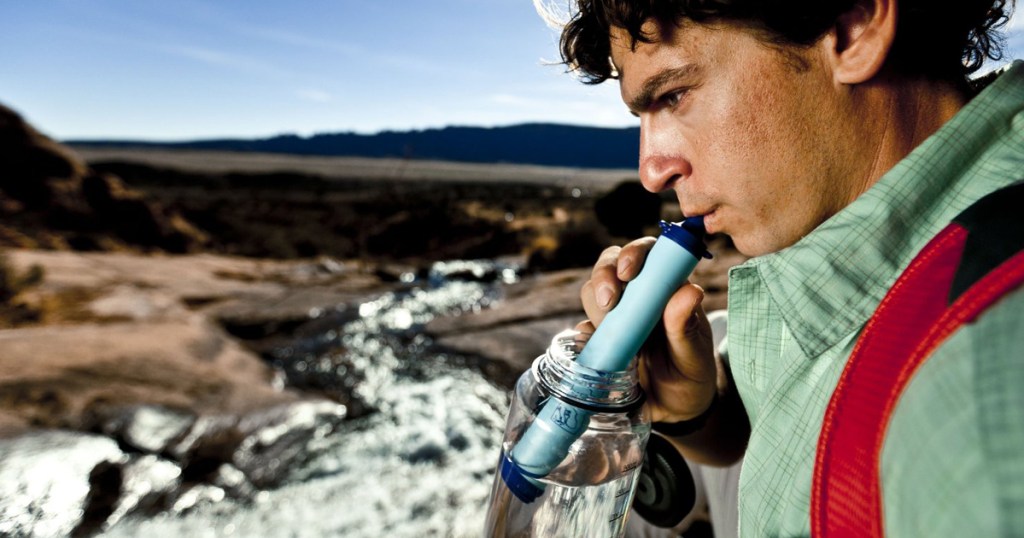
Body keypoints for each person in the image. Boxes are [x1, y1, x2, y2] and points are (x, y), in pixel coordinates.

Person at [538, 0, 1024, 535]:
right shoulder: (830, 226)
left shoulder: (987, 391)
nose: (652, 170)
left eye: (674, 94)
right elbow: (783, 426)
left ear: (853, 27)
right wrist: (694, 410)